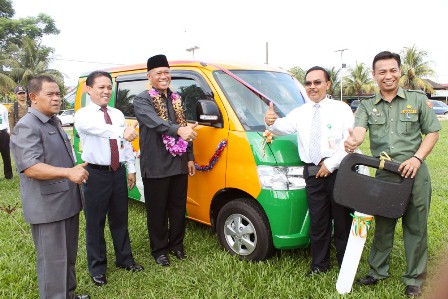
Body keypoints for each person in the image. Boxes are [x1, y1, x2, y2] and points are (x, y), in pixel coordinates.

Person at [345, 51, 441, 297]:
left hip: (415, 171)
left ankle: (415, 279)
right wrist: (353, 141)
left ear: (400, 71)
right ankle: (377, 272)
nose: (388, 76)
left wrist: (417, 158)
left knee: (416, 225)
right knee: (384, 225)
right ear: (374, 75)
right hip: (385, 173)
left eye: (393, 70)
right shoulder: (367, 105)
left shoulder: (417, 100)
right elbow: (359, 132)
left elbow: (432, 132)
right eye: (382, 72)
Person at [265, 66, 354, 275]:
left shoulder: (341, 109)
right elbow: (281, 127)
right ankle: (319, 265)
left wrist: (330, 164)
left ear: (328, 85)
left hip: (339, 171)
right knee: (318, 221)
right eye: (308, 83)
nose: (312, 87)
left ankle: (346, 267)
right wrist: (270, 122)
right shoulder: (301, 111)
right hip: (313, 173)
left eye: (317, 82)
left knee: (342, 222)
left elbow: (349, 142)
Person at [10, 75, 90, 299]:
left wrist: (73, 168)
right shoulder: (27, 126)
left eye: (58, 94)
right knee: (53, 262)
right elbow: (30, 167)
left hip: (65, 201)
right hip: (48, 208)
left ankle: (69, 295)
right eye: (50, 94)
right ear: (33, 97)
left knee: (67, 257)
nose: (57, 99)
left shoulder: (52, 121)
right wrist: (68, 172)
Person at [75, 71, 143, 286]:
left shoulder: (117, 114)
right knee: (95, 223)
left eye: (108, 87)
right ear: (89, 89)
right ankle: (98, 267)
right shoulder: (83, 115)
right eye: (101, 87)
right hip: (94, 174)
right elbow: (99, 130)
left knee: (120, 219)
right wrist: (121, 131)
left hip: (117, 172)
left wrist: (131, 168)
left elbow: (126, 145)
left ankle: (125, 259)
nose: (106, 91)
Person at [134, 54, 197, 267]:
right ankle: (159, 250)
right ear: (149, 76)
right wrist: (179, 130)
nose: (164, 76)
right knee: (157, 210)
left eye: (167, 72)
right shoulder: (142, 99)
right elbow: (156, 123)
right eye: (159, 73)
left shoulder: (176, 99)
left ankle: (177, 245)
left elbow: (186, 127)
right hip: (156, 164)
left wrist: (189, 156)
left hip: (178, 162)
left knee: (179, 207)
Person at [0, 102, 13, 180]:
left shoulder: (2, 107)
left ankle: (8, 175)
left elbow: (6, 120)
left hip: (3, 133)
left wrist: (8, 131)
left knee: (6, 155)